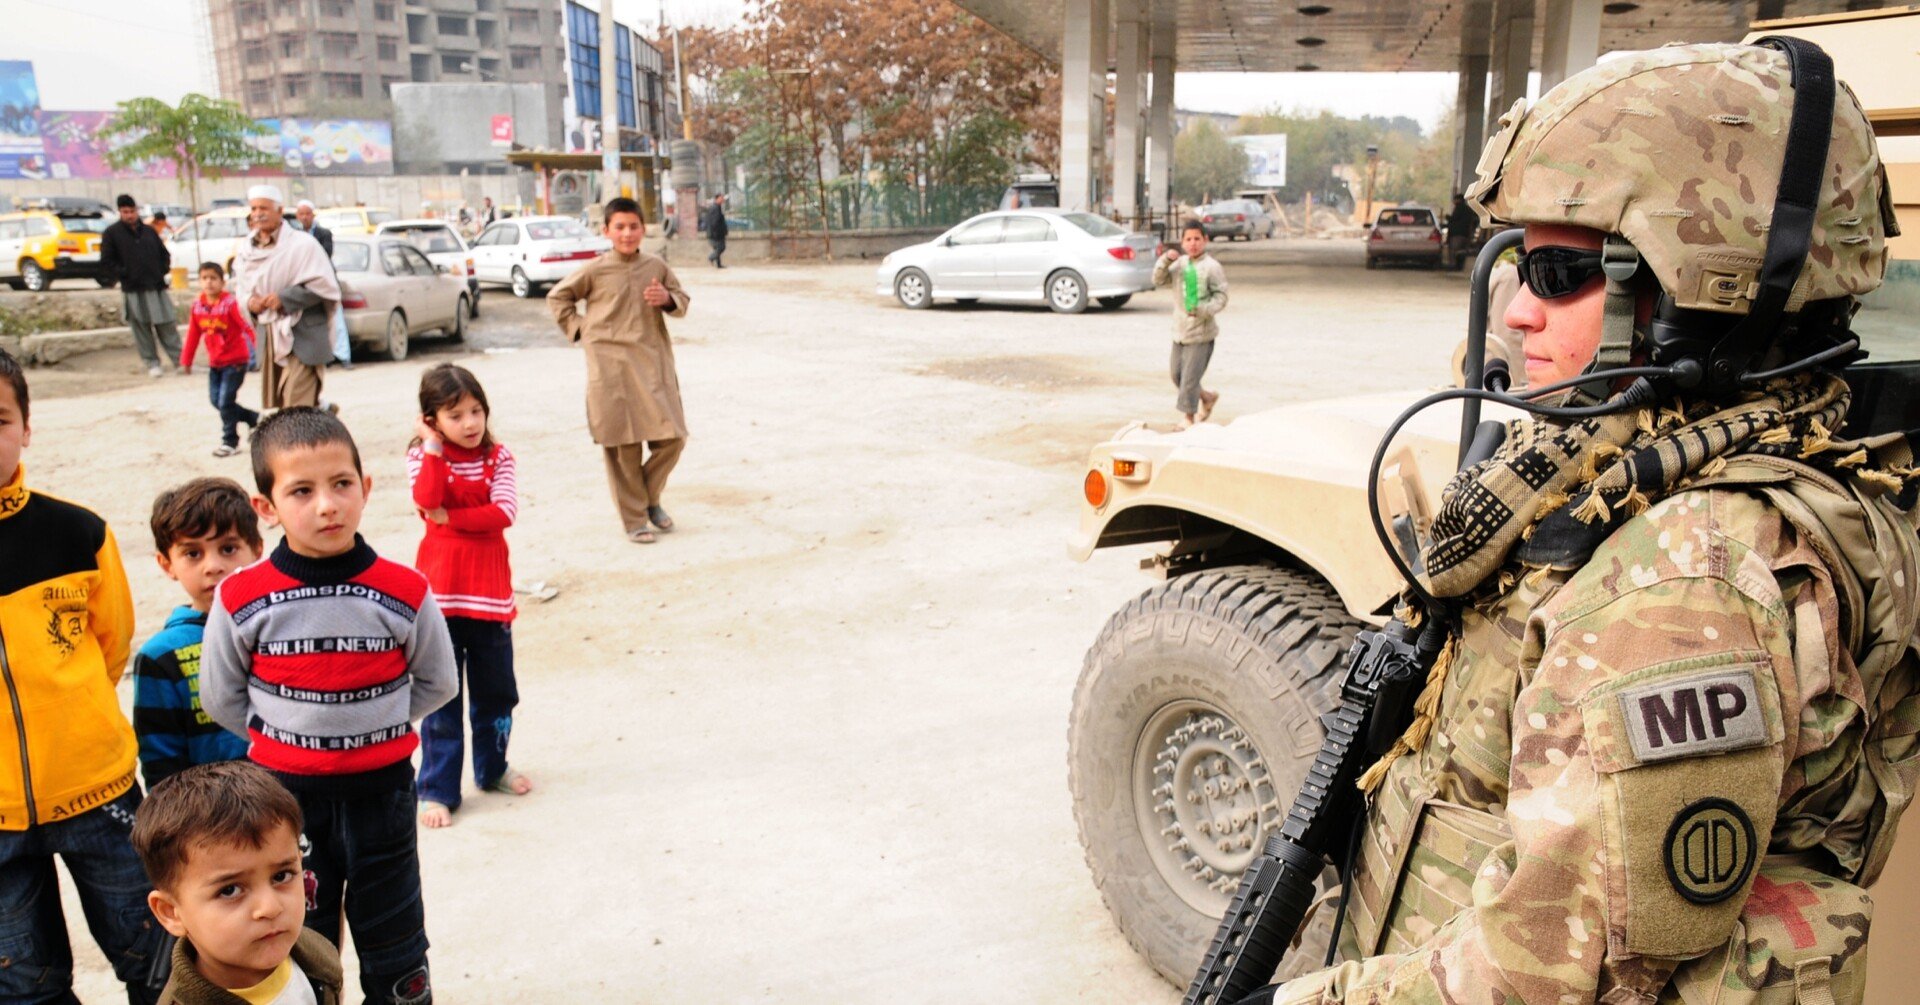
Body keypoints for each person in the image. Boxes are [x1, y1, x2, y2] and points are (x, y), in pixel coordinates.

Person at [1237, 41, 1917, 1005]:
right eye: (1518, 265)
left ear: (1694, 285)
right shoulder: (1676, 456)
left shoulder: (1684, 582)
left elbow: (1537, 974)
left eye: (1559, 272)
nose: (1515, 312)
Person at [200, 407, 456, 1005]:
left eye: (342, 484)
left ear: (365, 489)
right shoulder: (241, 597)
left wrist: (374, 723)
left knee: (395, 942)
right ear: (266, 507)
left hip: (384, 797)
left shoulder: (403, 590)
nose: (327, 505)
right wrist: (290, 738)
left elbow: (437, 682)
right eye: (301, 491)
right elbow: (222, 696)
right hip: (284, 804)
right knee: (296, 943)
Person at [0, 347, 169, 1002]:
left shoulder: (77, 534)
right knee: (25, 985)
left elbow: (111, 643)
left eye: (0, 419)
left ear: (26, 427)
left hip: (99, 791)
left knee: (155, 958)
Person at [406, 363, 532, 828]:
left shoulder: (499, 458)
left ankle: (493, 768)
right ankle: (437, 789)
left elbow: (503, 513)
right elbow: (426, 497)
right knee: (441, 697)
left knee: (497, 692)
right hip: (439, 600)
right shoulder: (423, 456)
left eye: (476, 410)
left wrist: (449, 518)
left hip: (491, 596)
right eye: (455, 415)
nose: (470, 423)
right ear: (431, 419)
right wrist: (433, 448)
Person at [132, 761, 344, 1004]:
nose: (271, 907)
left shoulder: (316, 956)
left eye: (282, 876)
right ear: (171, 912)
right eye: (230, 890)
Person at [548, 196, 691, 544]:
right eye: (620, 227)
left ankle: (649, 499)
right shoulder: (594, 270)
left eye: (633, 226)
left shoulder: (655, 267)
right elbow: (558, 297)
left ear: (643, 229)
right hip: (610, 369)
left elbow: (681, 301)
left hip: (650, 364)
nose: (627, 234)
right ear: (606, 231)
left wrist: (667, 300)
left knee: (672, 437)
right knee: (623, 446)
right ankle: (635, 520)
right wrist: (581, 329)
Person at [133, 478, 260, 790]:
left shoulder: (278, 630)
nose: (213, 566)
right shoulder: (161, 657)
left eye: (228, 549)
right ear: (167, 564)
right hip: (214, 822)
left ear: (256, 550)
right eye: (192, 554)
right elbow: (162, 771)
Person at [231, 186, 338, 412]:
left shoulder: (302, 245)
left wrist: (284, 298)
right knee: (281, 405)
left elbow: (325, 286)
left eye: (264, 208)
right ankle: (323, 412)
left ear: (279, 211)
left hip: (303, 333)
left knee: (296, 404)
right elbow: (241, 289)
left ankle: (311, 428)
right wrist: (250, 302)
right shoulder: (246, 251)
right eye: (254, 208)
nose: (258, 213)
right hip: (271, 333)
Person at [1151, 219, 1228, 429]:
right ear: (1182, 243)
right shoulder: (1180, 265)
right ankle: (1207, 397)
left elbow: (1221, 297)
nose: (1193, 243)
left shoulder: (1212, 267)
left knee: (1190, 379)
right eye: (1188, 239)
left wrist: (1203, 310)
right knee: (1177, 375)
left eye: (1197, 239)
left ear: (1205, 240)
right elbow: (1158, 280)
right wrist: (1165, 260)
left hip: (1201, 334)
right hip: (1180, 331)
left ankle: (1188, 418)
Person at [181, 262, 260, 457]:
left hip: (235, 362)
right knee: (216, 401)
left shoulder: (229, 304)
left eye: (213, 278)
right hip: (215, 363)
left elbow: (246, 326)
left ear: (222, 281)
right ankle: (253, 417)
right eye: (204, 278)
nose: (209, 283)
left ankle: (230, 441)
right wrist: (187, 360)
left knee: (225, 402)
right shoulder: (198, 306)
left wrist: (259, 350)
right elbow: (193, 334)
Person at [101, 192, 184, 378]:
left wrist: (161, 270)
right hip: (133, 289)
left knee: (167, 325)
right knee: (141, 328)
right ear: (120, 212)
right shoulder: (112, 234)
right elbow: (107, 262)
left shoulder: (148, 232)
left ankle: (180, 361)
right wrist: (125, 274)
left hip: (156, 286)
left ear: (137, 211)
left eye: (132, 211)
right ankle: (152, 363)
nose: (129, 215)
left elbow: (164, 254)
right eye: (125, 212)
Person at [291, 200, 351, 372]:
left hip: (324, 280)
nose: (304, 217)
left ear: (313, 215)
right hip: (303, 282)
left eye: (307, 213)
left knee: (336, 319)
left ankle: (344, 356)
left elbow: (325, 254)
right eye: (301, 214)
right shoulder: (294, 235)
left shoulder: (323, 233)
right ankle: (326, 357)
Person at [1444, 191, 1478, 269]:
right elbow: (1475, 220)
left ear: (1458, 200)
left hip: (1456, 234)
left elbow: (1453, 219)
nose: (1453, 202)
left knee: (1454, 251)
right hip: (1466, 234)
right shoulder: (1469, 209)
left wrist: (1447, 217)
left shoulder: (1458, 208)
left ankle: (1453, 266)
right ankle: (1460, 266)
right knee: (1462, 252)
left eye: (1454, 199)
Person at [702, 193, 729, 268]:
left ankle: (718, 264)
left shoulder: (717, 207)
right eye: (721, 198)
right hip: (716, 233)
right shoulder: (715, 208)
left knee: (717, 248)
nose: (722, 199)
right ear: (717, 199)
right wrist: (717, 232)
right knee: (721, 247)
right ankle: (711, 258)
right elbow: (714, 222)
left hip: (716, 233)